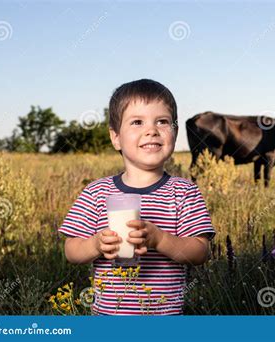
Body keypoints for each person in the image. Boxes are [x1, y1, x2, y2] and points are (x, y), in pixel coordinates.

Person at [58, 79, 215, 315]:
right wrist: (95, 244)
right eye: (137, 122)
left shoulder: (185, 193)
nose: (151, 130)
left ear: (175, 132)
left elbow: (200, 251)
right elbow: (71, 249)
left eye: (162, 121)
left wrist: (160, 240)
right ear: (116, 137)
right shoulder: (96, 192)